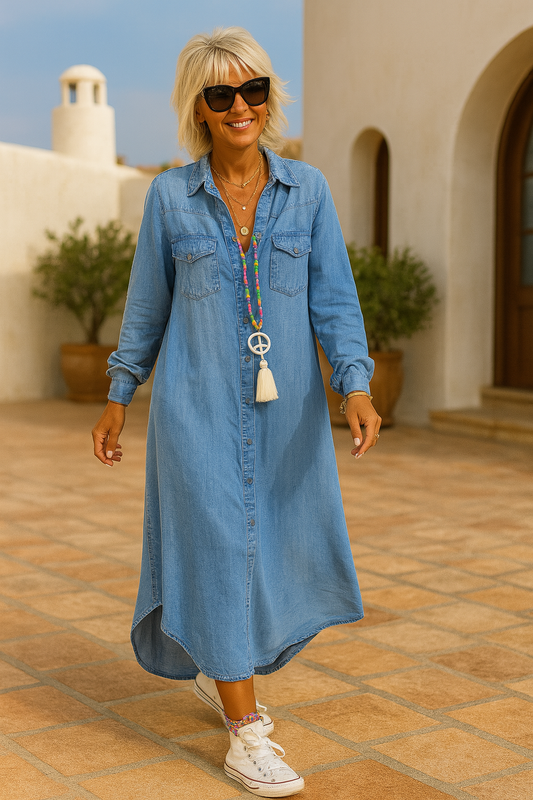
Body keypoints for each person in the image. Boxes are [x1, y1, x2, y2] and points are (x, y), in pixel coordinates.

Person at [92, 26, 381, 798]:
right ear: (200, 108)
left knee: (273, 550)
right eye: (220, 94)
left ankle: (220, 667)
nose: (239, 106)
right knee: (218, 549)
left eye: (251, 89)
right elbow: (146, 309)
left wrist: (353, 386)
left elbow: (334, 301)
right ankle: (245, 732)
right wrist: (119, 396)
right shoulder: (168, 196)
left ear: (267, 97)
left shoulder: (308, 191)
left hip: (287, 421)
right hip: (192, 412)